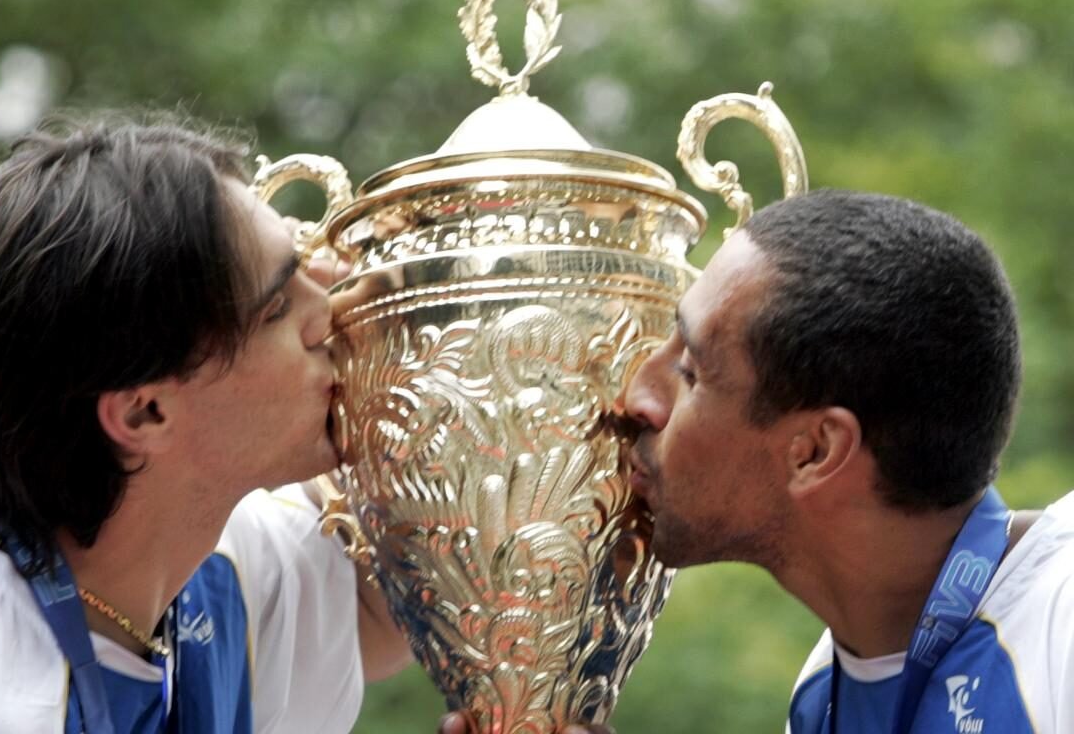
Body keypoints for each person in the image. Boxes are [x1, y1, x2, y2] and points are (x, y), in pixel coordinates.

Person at [442, 188, 1073, 734]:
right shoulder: (825, 693)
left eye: (690, 371)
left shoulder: (1060, 616)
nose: (636, 395)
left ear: (816, 451)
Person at [0, 117, 411, 732]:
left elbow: (382, 609)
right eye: (280, 306)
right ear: (143, 412)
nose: (335, 310)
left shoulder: (202, 554)